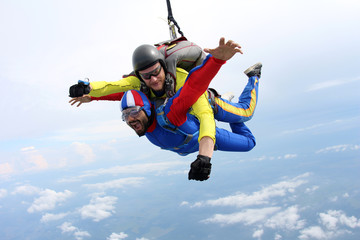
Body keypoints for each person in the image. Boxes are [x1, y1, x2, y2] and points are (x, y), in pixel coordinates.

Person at [120, 38, 262, 181]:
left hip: (209, 114)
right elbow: (110, 89)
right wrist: (95, 92)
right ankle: (230, 108)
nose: (131, 118)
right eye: (125, 115)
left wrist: (216, 60)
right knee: (248, 143)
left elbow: (195, 86)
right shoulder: (143, 124)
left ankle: (254, 76)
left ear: (147, 109)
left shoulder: (170, 113)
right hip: (199, 137)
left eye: (134, 111)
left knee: (247, 114)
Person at [69, 37, 218, 162]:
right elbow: (115, 87)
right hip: (184, 130)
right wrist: (90, 91)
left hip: (206, 104)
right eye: (146, 75)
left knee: (241, 113)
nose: (152, 79)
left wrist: (205, 156)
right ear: (139, 76)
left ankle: (222, 97)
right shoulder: (139, 83)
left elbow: (205, 115)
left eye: (156, 72)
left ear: (164, 67)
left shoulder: (181, 80)